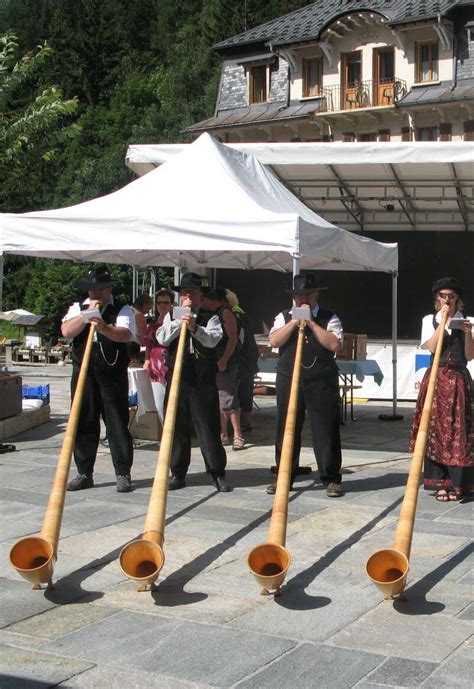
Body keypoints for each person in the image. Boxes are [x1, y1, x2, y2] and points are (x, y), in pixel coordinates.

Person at [267, 273, 344, 497]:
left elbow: (334, 344)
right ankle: (284, 476)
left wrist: (310, 322)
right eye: (298, 296)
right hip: (289, 378)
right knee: (287, 427)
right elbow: (274, 341)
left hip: (321, 379)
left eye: (306, 296)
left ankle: (330, 478)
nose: (301, 300)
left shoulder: (330, 317)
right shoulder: (283, 316)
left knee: (325, 428)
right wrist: (294, 321)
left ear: (315, 295)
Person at [62, 265, 135, 493]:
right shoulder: (78, 307)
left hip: (112, 373)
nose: (96, 294)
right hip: (84, 373)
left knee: (117, 424)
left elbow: (125, 335)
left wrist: (103, 327)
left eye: (101, 289)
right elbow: (66, 331)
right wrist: (86, 317)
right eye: (93, 290)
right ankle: (84, 472)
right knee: (83, 421)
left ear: (109, 289)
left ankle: (123, 473)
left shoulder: (122, 308)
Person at [156, 272, 231, 492]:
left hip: (201, 378)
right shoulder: (171, 315)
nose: (188, 296)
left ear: (200, 296)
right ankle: (178, 473)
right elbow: (161, 338)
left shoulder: (211, 315)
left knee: (207, 426)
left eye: (193, 292)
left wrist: (195, 329)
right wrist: (180, 322)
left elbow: (212, 339)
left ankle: (217, 472)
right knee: (177, 426)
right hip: (178, 378)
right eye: (185, 292)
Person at [409, 277, 474, 501]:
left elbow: (469, 356)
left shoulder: (467, 320)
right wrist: (444, 324)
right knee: (435, 430)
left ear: (458, 299)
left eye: (452, 296)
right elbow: (432, 346)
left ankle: (459, 483)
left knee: (459, 432)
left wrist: (467, 332)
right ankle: (440, 482)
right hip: (437, 379)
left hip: (458, 379)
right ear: (437, 299)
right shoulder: (430, 320)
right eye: (443, 296)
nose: (447, 299)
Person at [201, 287, 245, 450]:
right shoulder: (213, 314)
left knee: (228, 398)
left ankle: (237, 434)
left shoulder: (225, 312)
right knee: (220, 398)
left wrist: (224, 359)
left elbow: (232, 338)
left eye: (202, 298)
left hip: (227, 361)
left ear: (210, 300)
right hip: (216, 360)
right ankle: (223, 434)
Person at [224, 289, 259, 432]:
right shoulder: (240, 313)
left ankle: (243, 424)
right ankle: (246, 422)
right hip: (248, 359)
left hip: (243, 360)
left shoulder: (235, 315)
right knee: (245, 391)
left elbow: (239, 340)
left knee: (241, 392)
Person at [143, 288, 174, 422]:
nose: (162, 306)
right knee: (158, 402)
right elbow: (148, 345)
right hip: (155, 365)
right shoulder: (153, 323)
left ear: (172, 304)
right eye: (159, 303)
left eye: (166, 303)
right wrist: (146, 361)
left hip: (169, 363)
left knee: (169, 401)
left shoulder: (174, 322)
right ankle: (163, 434)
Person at [128, 293, 153, 365]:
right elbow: (143, 340)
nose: (148, 312)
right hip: (133, 349)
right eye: (148, 308)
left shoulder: (127, 311)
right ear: (144, 305)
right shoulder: (140, 316)